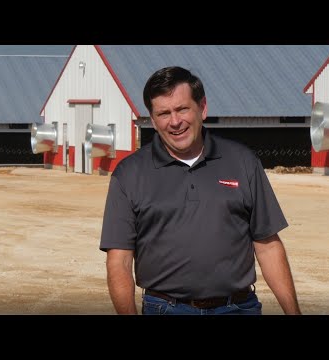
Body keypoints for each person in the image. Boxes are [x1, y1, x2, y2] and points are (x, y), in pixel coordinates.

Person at [100, 66, 301, 315]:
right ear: (152, 120)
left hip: (238, 308)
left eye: (182, 109)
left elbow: (268, 245)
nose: (175, 122)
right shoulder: (129, 174)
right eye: (164, 113)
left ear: (202, 108)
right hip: (166, 308)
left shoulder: (243, 162)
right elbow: (119, 260)